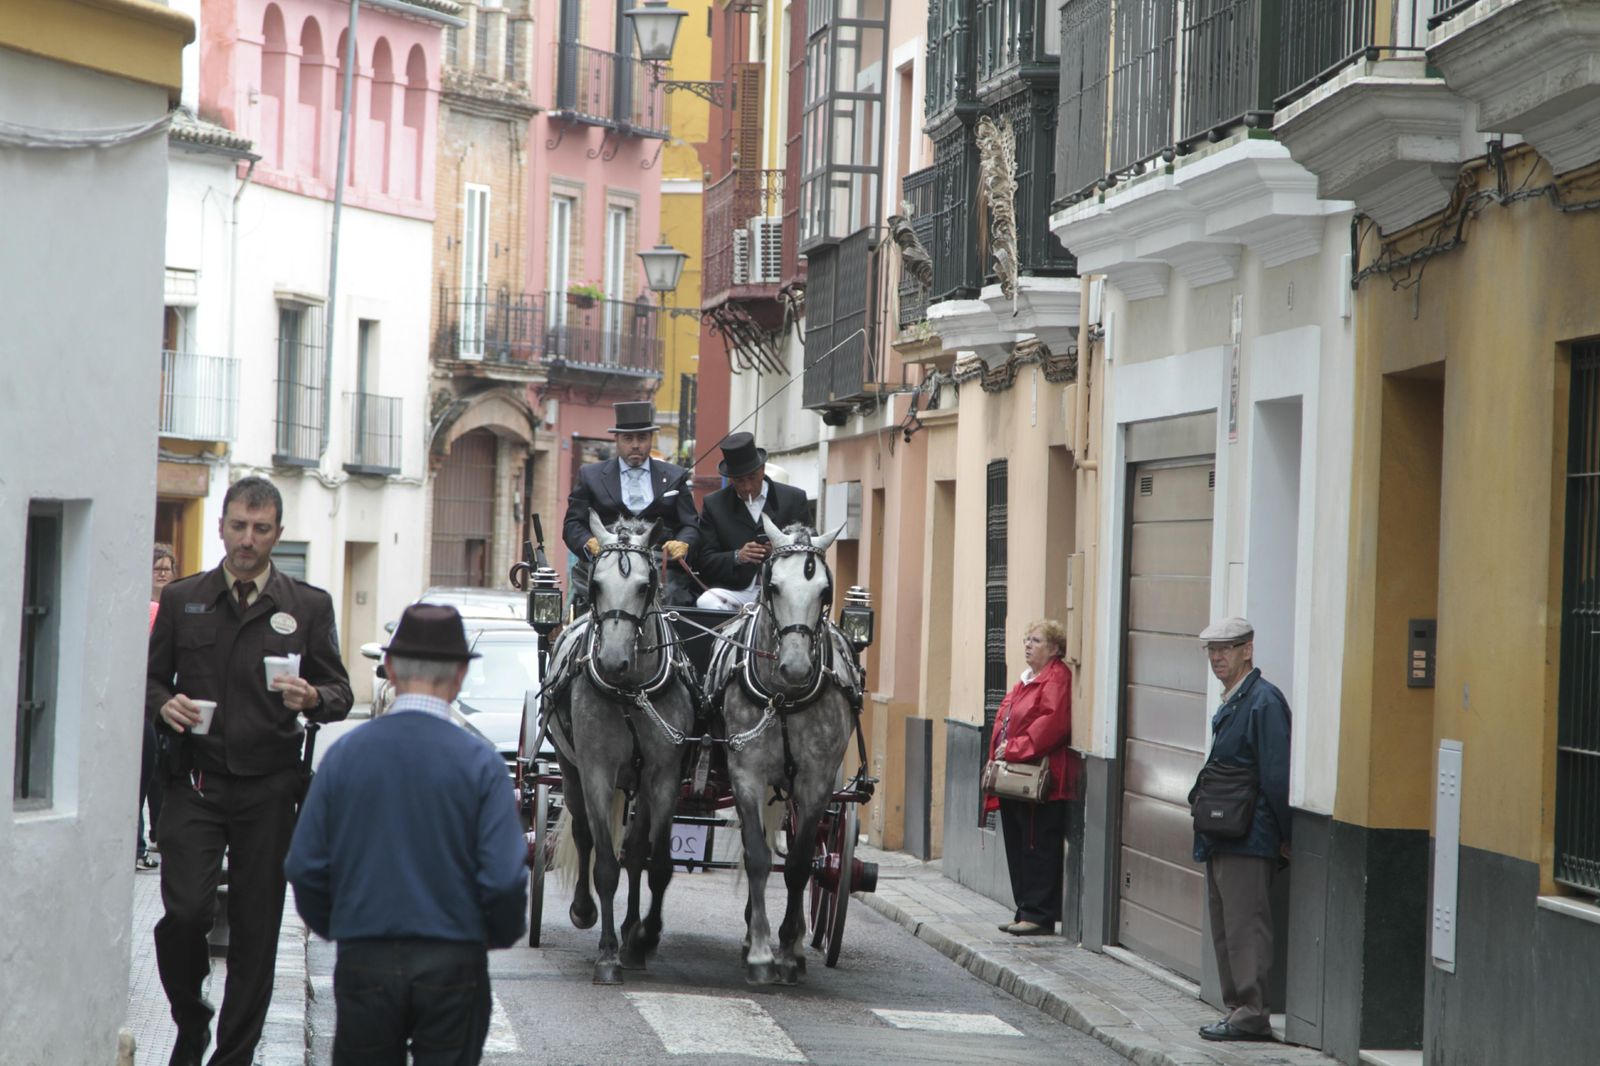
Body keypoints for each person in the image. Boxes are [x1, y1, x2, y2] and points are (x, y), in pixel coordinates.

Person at [147, 476, 353, 1066]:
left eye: (261, 529)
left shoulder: (306, 606)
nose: (248, 539)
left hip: (269, 790)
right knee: (184, 916)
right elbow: (150, 680)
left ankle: (232, 1056)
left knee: (257, 934)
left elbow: (341, 690)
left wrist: (313, 697)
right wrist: (164, 704)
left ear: (278, 535)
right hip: (195, 784)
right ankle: (191, 1019)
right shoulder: (186, 600)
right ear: (221, 527)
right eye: (238, 525)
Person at [285, 603, 528, 1066]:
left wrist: (343, 928)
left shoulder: (346, 757)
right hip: (453, 958)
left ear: (390, 670)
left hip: (366, 955)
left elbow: (305, 866)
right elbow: (503, 879)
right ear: (459, 675)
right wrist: (484, 938)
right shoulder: (482, 765)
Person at [1191, 616, 1291, 1043]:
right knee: (1226, 927)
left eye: (1226, 648)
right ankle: (1237, 1010)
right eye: (1212, 650)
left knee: (1246, 928)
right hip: (1224, 833)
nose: (1217, 657)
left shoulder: (1264, 701)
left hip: (1250, 836)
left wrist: (1284, 836)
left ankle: (1251, 1013)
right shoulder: (1235, 699)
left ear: (1247, 650)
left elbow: (1276, 775)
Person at [985, 619, 1079, 936]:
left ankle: (1039, 914)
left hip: (1042, 780)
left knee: (1037, 844)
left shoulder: (1056, 678)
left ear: (1054, 648)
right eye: (1027, 639)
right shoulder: (1027, 679)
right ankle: (1024, 907)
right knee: (1018, 842)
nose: (1028, 644)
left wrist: (1012, 748)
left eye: (1036, 640)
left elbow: (1052, 724)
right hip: (1016, 775)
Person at [562, 400, 699, 608]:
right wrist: (588, 542)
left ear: (651, 439)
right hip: (606, 561)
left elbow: (691, 524)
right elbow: (573, 523)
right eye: (628, 438)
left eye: (642, 438)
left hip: (660, 566)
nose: (635, 445)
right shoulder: (591, 476)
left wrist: (683, 542)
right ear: (616, 439)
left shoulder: (674, 476)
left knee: (677, 599)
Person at [691, 432, 811, 611]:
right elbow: (705, 560)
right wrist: (737, 556)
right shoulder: (714, 505)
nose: (747, 486)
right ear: (731, 479)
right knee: (706, 602)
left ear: (762, 470)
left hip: (784, 590)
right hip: (737, 591)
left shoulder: (793, 499)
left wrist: (779, 550)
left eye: (752, 478)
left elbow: (809, 548)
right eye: (740, 481)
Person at [138, 544, 177, 871]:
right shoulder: (148, 609)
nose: (163, 573)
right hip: (148, 703)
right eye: (157, 568)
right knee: (148, 770)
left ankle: (154, 834)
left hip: (166, 701)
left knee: (156, 772)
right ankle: (144, 841)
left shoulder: (176, 606)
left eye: (168, 568)